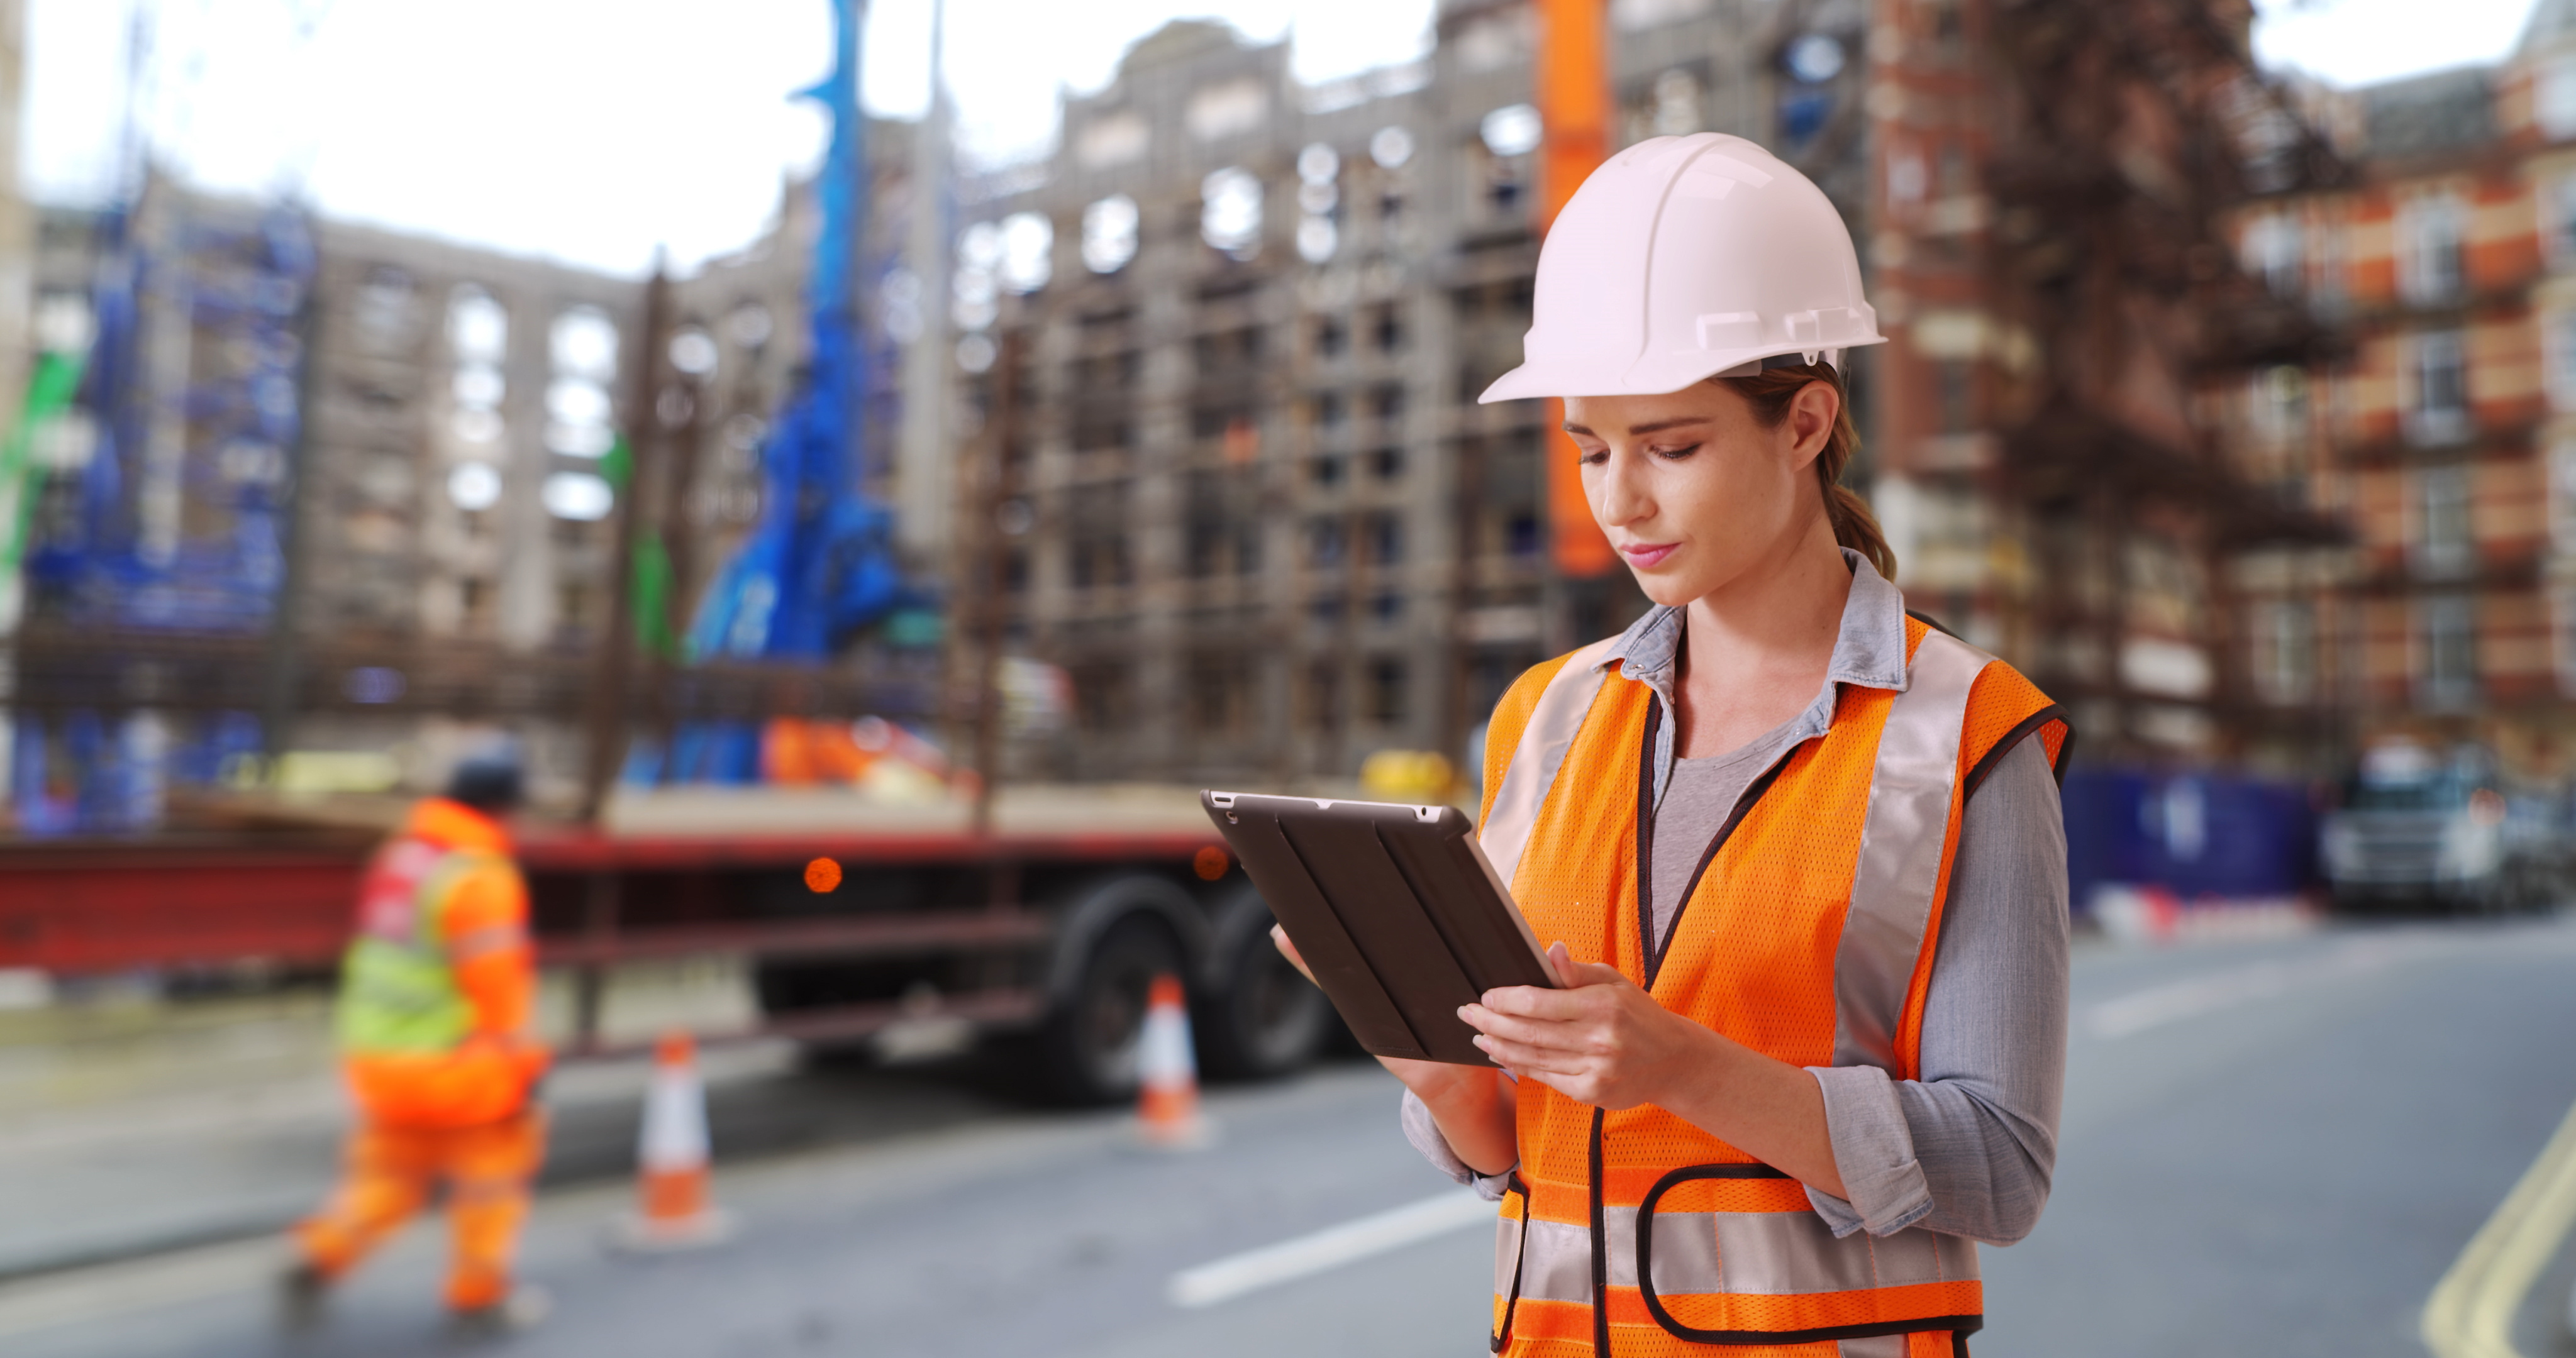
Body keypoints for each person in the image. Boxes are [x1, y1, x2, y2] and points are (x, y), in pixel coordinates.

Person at [1279, 133, 2071, 1357]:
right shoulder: (1547, 716)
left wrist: (1684, 1068)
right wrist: (1437, 1073)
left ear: (1804, 423)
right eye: (1589, 448)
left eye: (1671, 446)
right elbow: (1517, 1151)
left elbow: (1999, 1172)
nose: (1619, 502)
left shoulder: (1963, 734)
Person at [283, 741, 553, 1335]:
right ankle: (478, 1294)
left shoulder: (401, 856)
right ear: (500, 808)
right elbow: (500, 993)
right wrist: (528, 1069)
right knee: (493, 1174)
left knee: (389, 1181)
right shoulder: (482, 877)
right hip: (452, 1067)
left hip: (376, 1058)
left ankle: (320, 1252)